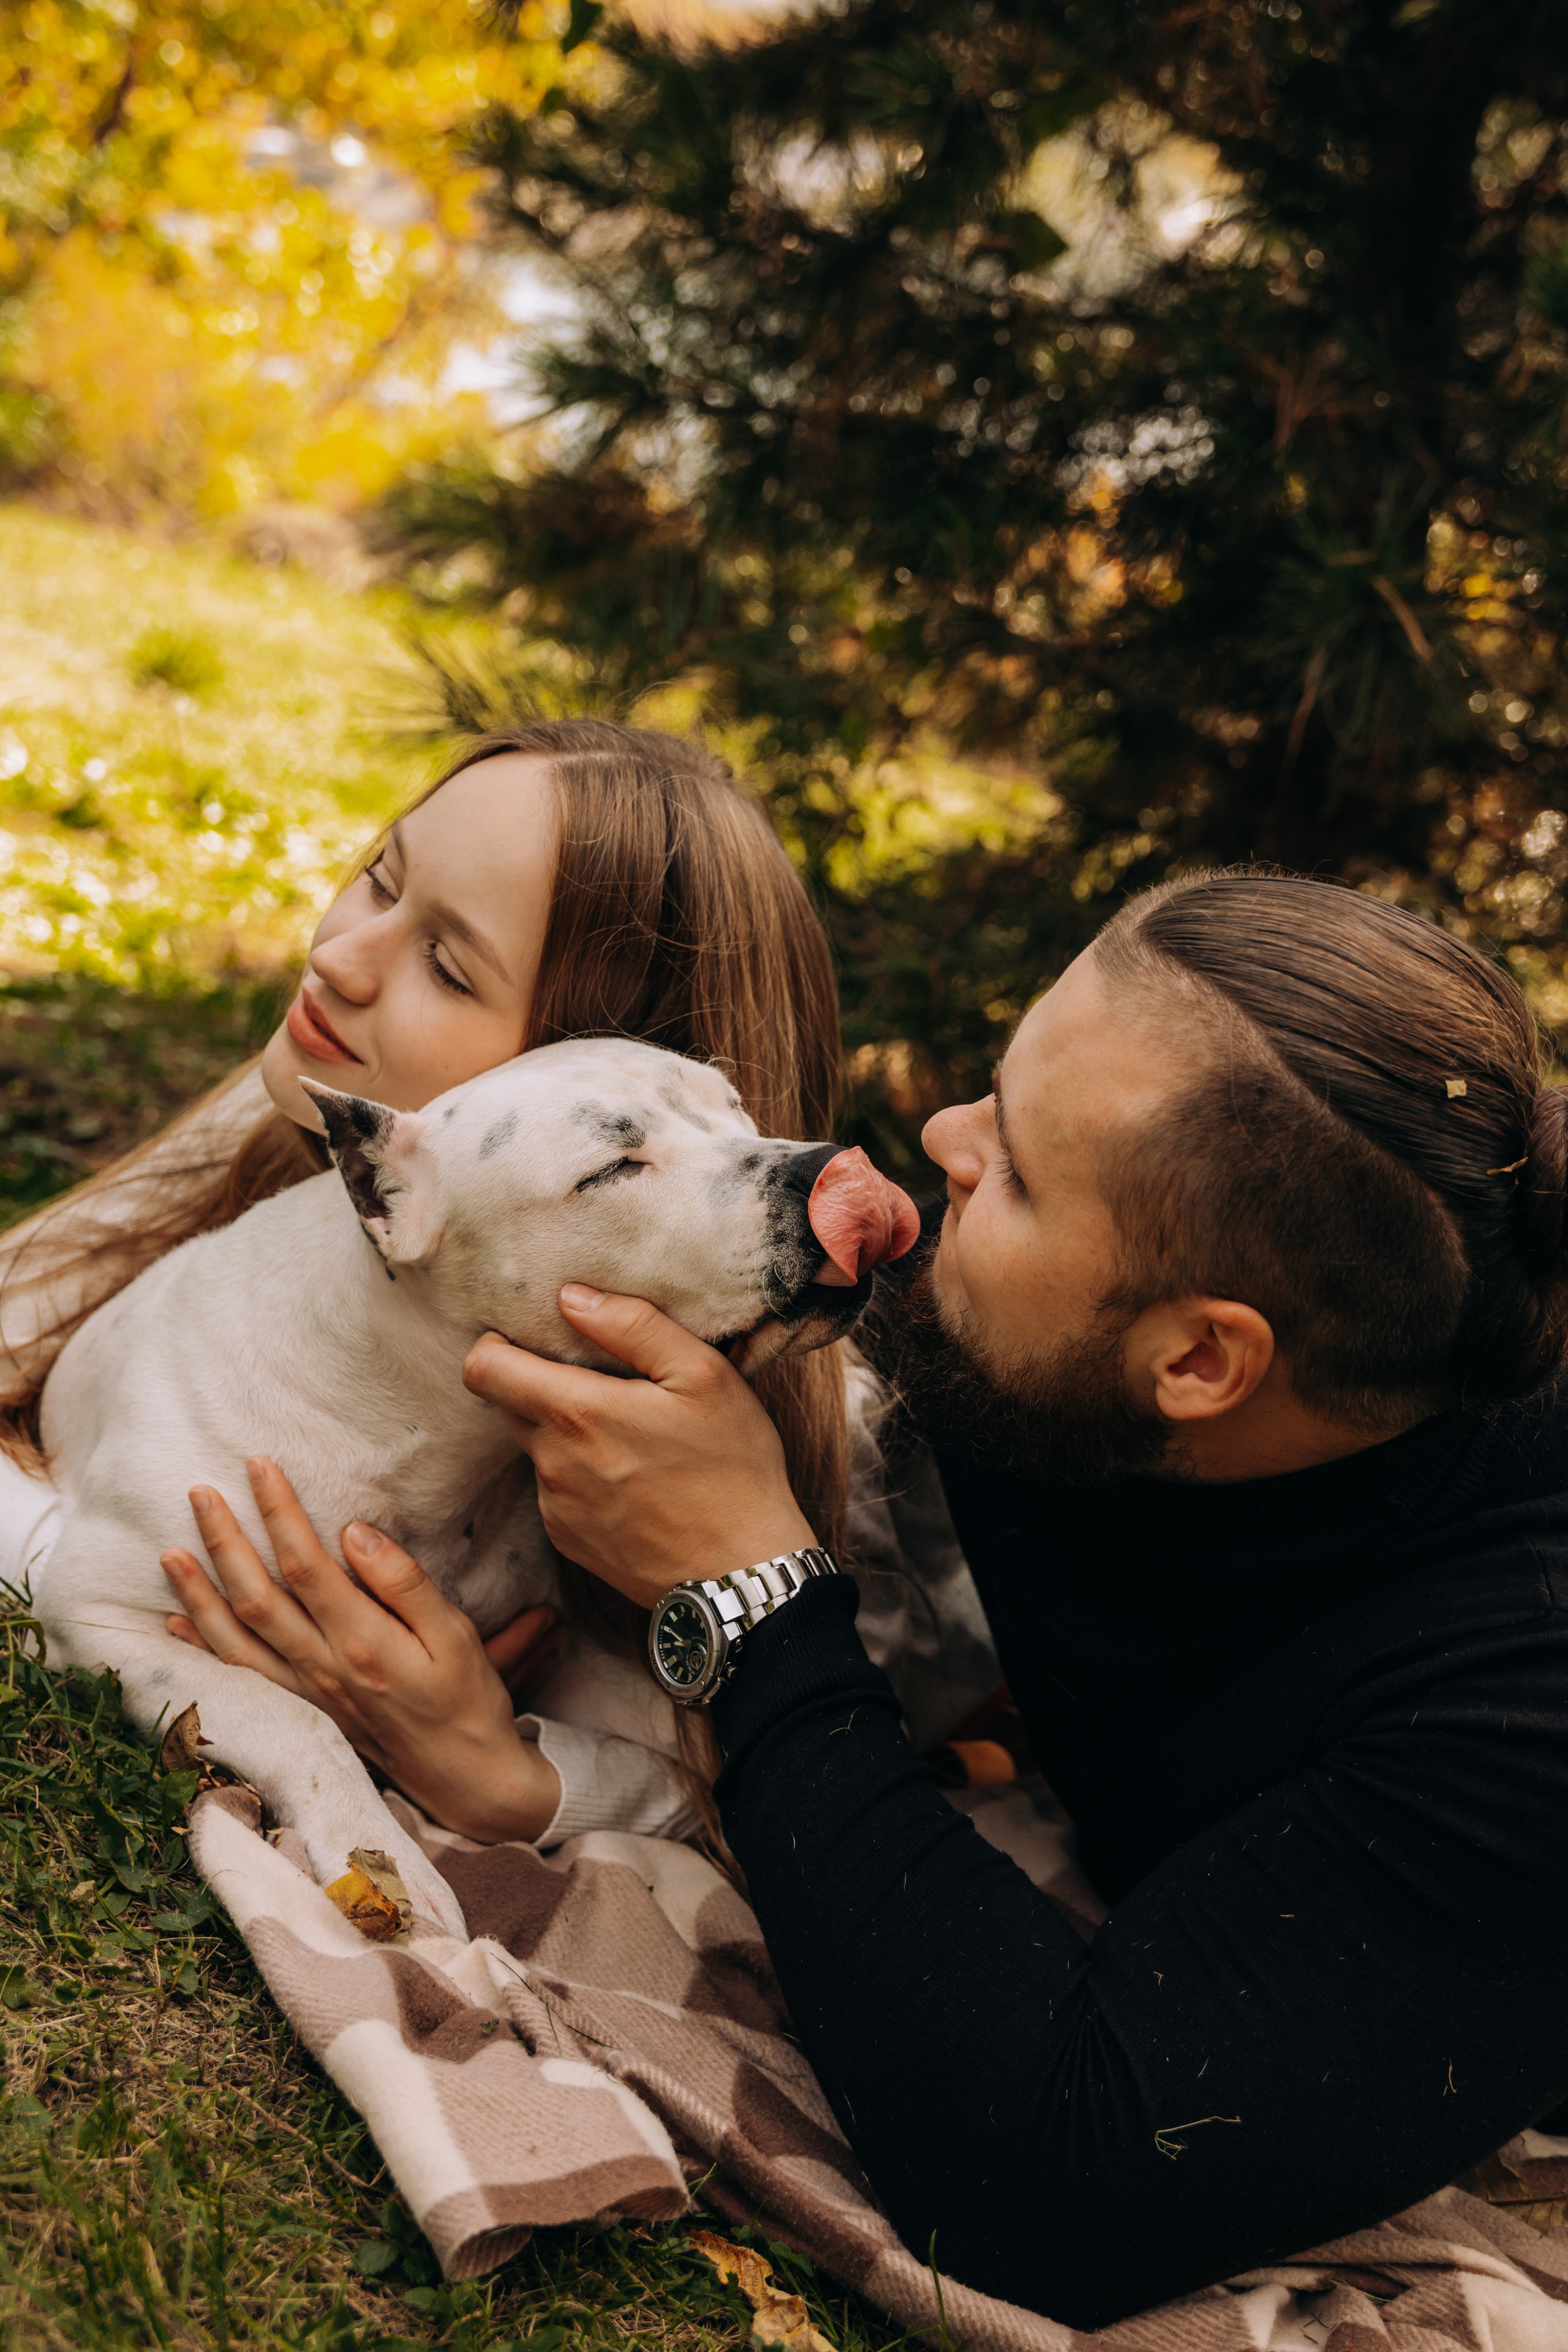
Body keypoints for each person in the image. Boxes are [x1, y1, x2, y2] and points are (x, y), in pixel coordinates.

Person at [401, 868, 1568, 2326]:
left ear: (1200, 1364)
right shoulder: (1080, 1341)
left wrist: (751, 1596)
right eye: (992, 1097)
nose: (936, 1142)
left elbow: (1042, 2184)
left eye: (1011, 1165)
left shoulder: (1518, 1710)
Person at [2, 718, 995, 1850]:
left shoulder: (804, 1464)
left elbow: (796, 1805)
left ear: (594, 1073)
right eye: (383, 874)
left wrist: (505, 1777)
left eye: (448, 964)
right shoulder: (317, 1101)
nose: (340, 955)